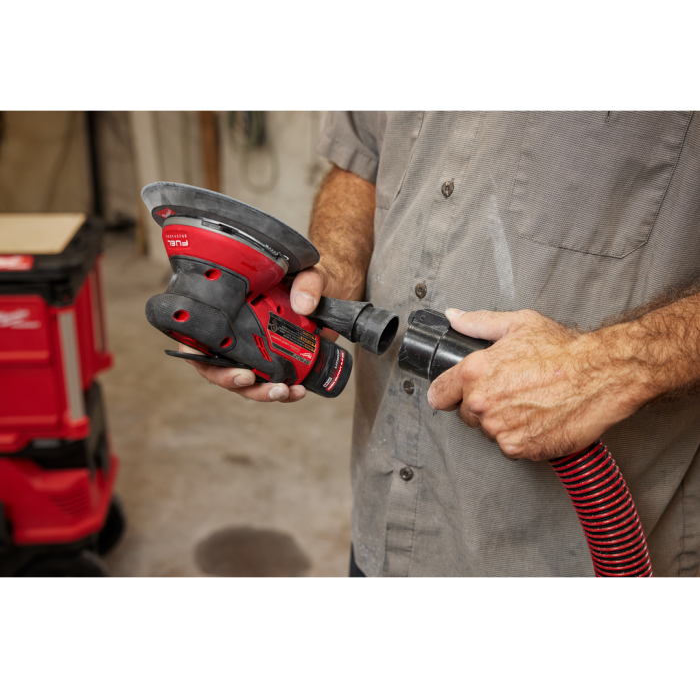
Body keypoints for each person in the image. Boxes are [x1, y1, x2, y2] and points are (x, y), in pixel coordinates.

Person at [182, 112, 700, 577]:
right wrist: (335, 266)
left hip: (561, 554)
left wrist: (610, 366)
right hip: (385, 521)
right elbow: (358, 165)